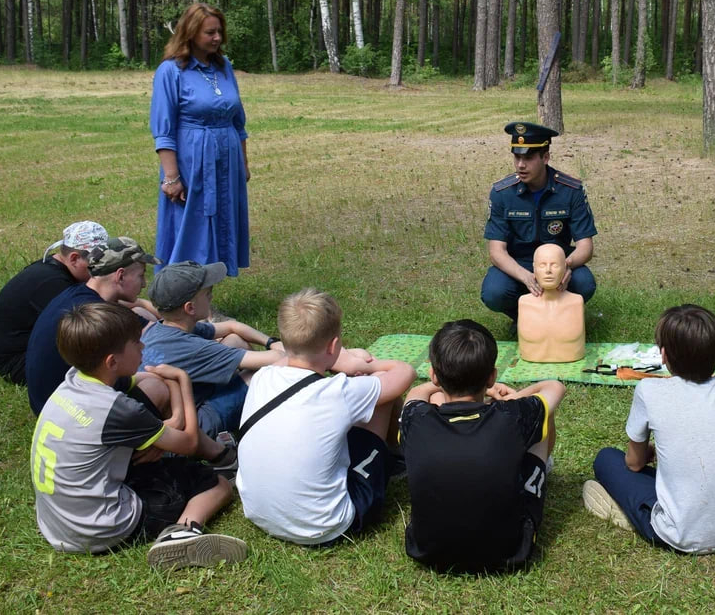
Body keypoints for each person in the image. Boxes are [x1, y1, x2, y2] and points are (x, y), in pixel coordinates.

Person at [30, 301, 246, 568]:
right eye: (136, 343)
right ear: (112, 361)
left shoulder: (74, 379)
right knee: (218, 485)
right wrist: (182, 381)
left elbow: (140, 380)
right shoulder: (118, 410)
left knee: (157, 426)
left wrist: (171, 418)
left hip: (58, 522)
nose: (143, 347)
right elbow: (189, 442)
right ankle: (182, 532)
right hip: (101, 528)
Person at [235, 289, 415, 546]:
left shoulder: (263, 376)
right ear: (333, 346)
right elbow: (403, 373)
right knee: (379, 397)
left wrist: (337, 360)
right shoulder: (337, 393)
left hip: (258, 512)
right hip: (326, 525)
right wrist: (363, 366)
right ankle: (395, 455)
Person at [583, 305, 715, 554]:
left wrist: (648, 453)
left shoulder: (649, 390)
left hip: (682, 534)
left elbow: (633, 463)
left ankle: (636, 515)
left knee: (606, 459)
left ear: (663, 355)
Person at [400, 320, 565, 572]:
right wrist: (512, 399)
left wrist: (440, 383)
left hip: (426, 550)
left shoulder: (416, 419)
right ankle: (539, 472)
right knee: (541, 413)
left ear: (434, 374)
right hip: (510, 551)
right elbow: (554, 387)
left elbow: (415, 395)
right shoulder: (513, 417)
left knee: (434, 400)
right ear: (492, 377)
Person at [151, 3, 250, 277]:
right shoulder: (171, 71)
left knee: (221, 221)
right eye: (210, 33)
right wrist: (171, 177)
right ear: (191, 33)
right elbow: (163, 130)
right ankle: (184, 295)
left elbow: (238, 122)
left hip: (226, 157)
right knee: (192, 224)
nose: (217, 38)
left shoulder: (224, 66)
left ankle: (208, 293)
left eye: (219, 31)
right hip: (192, 159)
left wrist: (243, 163)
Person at [140, 261, 286, 437]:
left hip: (172, 413)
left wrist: (270, 342)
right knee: (259, 374)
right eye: (208, 293)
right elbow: (277, 360)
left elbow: (232, 326)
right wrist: (283, 349)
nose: (211, 297)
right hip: (195, 425)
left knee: (235, 340)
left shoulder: (160, 329)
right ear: (190, 308)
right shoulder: (194, 349)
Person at [25, 238, 160, 415]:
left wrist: (143, 305)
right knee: (158, 386)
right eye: (141, 276)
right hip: (71, 412)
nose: (143, 284)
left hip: (49, 401)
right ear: (120, 276)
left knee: (143, 318)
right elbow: (164, 335)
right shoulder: (100, 316)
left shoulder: (79, 293)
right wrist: (205, 329)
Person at [481, 121, 597, 321]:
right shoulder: (502, 193)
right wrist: (525, 276)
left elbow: (585, 246)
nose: (520, 165)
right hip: (519, 262)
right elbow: (496, 251)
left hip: (558, 261)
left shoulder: (570, 191)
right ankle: (525, 318)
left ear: (545, 157)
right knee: (494, 292)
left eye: (528, 157)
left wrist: (565, 266)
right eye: (517, 157)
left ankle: (558, 317)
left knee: (584, 283)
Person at [0, 221, 108, 384]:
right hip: (20, 365)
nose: (102, 270)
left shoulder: (53, 269)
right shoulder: (51, 284)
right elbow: (97, 321)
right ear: (74, 259)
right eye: (96, 264)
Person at [517, 243, 586, 362]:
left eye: (554, 265)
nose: (548, 270)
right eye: (542, 265)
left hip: (573, 358)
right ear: (534, 268)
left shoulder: (577, 302)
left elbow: (586, 247)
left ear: (565, 267)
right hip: (531, 359)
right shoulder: (524, 303)